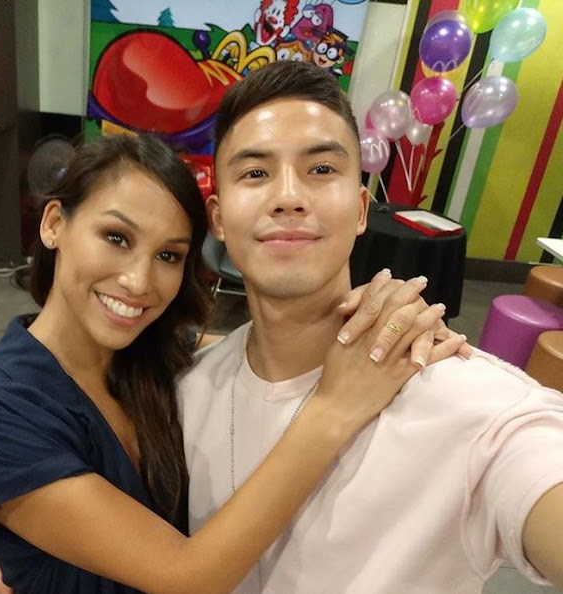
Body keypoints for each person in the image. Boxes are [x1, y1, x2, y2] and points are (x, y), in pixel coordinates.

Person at [0, 133, 461, 594]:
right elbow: (187, 576)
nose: (139, 282)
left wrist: (385, 318)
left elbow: (278, 347)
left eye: (168, 256)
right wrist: (333, 410)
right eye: (116, 238)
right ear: (55, 224)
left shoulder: (153, 353)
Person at [179, 60, 563, 593]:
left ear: (361, 209)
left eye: (320, 169)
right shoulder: (189, 390)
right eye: (256, 173)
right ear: (219, 219)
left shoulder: (466, 398)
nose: (288, 196)